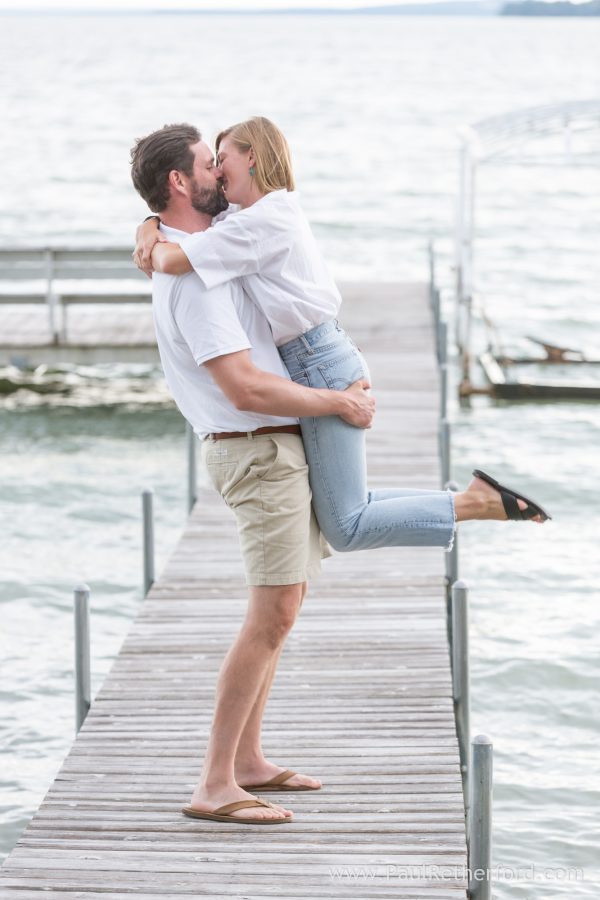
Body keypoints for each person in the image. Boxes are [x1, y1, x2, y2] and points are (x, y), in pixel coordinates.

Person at [133, 116, 551, 540]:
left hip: (319, 360)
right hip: (312, 358)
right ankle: (475, 499)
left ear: (253, 157)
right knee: (346, 509)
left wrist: (152, 242)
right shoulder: (239, 221)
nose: (219, 172)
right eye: (212, 164)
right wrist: (149, 224)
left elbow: (172, 261)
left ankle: (476, 503)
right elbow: (192, 235)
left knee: (346, 524)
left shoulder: (266, 220)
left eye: (222, 160)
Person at [130, 123, 375, 826]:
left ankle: (247, 761)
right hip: (258, 449)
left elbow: (234, 227)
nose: (221, 176)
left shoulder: (202, 248)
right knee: (270, 616)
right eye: (210, 165)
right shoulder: (197, 283)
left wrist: (147, 224)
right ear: (184, 181)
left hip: (271, 447)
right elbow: (244, 387)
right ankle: (213, 783)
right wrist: (338, 402)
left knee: (282, 611)